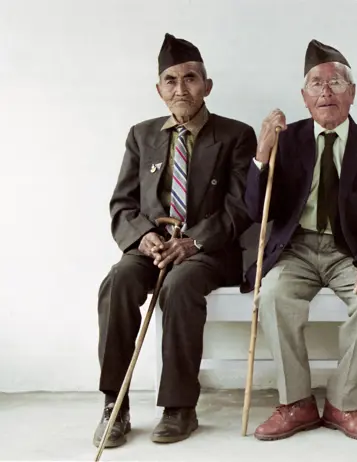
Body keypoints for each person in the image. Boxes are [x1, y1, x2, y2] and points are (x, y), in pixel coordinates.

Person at [94, 33, 257, 447]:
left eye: (190, 78)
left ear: (207, 85)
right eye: (170, 80)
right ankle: (115, 405)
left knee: (181, 286)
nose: (180, 88)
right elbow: (122, 205)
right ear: (159, 90)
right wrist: (144, 236)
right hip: (152, 248)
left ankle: (180, 408)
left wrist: (193, 242)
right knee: (117, 283)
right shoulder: (141, 135)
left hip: (208, 252)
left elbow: (240, 208)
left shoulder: (236, 135)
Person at [241, 39, 357, 442]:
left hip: (349, 252)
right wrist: (262, 154)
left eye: (336, 83)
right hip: (294, 248)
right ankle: (295, 403)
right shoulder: (287, 140)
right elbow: (254, 207)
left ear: (352, 93)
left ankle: (343, 404)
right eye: (316, 84)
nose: (326, 92)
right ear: (303, 96)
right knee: (274, 295)